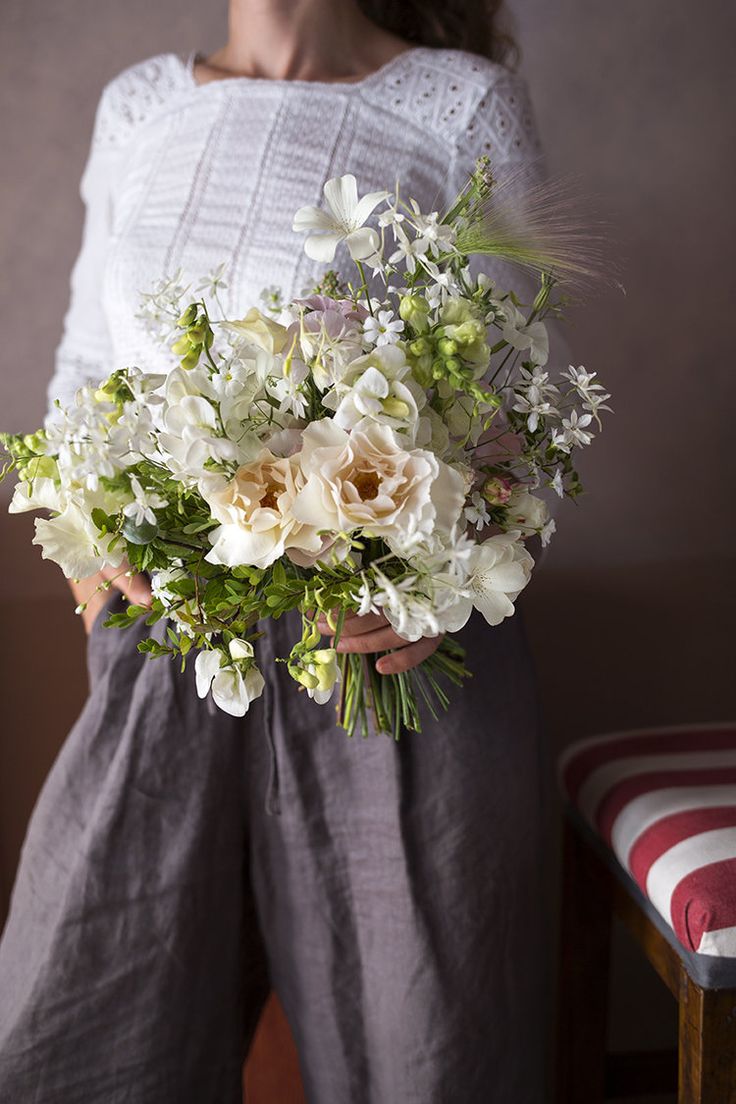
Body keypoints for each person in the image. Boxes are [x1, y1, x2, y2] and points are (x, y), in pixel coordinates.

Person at [0, 1, 552, 1100]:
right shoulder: (141, 107)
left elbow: (522, 399)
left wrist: (436, 582)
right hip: (169, 646)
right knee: (78, 1022)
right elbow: (81, 368)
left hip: (385, 667)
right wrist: (85, 555)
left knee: (423, 1047)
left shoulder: (457, 103)